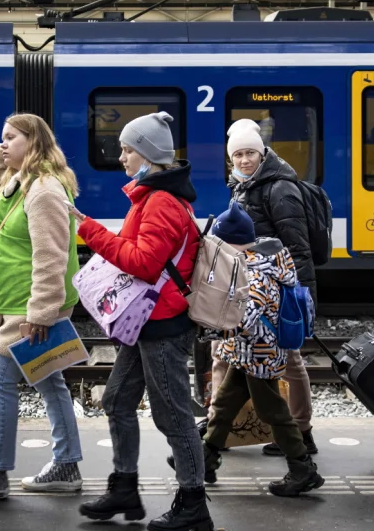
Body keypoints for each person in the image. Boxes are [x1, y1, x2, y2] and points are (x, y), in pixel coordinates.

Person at [72, 112, 212, 531]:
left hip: (164, 324)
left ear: (148, 155)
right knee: (116, 400)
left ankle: (193, 505)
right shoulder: (152, 197)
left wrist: (89, 230)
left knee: (173, 415)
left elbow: (144, 264)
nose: (121, 157)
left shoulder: (162, 202)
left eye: (127, 149)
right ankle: (124, 488)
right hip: (145, 319)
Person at [0, 113, 84, 500]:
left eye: (11, 138)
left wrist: (40, 313)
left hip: (32, 305)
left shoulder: (43, 191)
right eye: (1, 137)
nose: (3, 143)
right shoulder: (23, 183)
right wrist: (0, 152)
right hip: (18, 300)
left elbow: (51, 255)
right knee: (48, 378)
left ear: (34, 142)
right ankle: (66, 465)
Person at [196, 202, 324, 497]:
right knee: (226, 403)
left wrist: (212, 328)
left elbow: (247, 319)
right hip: (246, 354)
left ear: (230, 243)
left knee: (274, 411)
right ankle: (207, 457)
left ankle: (302, 468)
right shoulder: (251, 263)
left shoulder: (257, 272)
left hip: (261, 355)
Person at [218, 118, 317, 456]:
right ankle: (229, 429)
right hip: (251, 287)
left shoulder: (279, 188)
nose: (244, 160)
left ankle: (302, 431)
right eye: (238, 155)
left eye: (250, 154)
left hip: (275, 290)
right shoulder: (243, 185)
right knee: (234, 359)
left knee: (290, 358)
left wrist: (301, 302)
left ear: (261, 155)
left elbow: (298, 248)